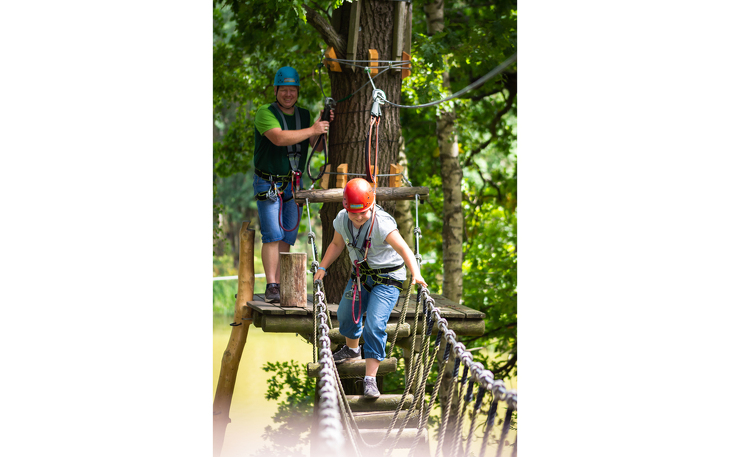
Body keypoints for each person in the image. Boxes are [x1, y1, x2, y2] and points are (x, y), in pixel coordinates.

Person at [313, 178, 427, 398]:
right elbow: (336, 244)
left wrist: (416, 273)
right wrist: (323, 267)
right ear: (346, 208)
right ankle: (352, 349)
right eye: (353, 213)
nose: (358, 217)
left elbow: (404, 249)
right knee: (345, 314)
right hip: (361, 276)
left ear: (372, 205)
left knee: (374, 326)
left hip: (388, 279)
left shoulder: (382, 223)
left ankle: (370, 380)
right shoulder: (342, 219)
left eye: (363, 212)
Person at [253, 66, 334, 303]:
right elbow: (278, 138)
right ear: (276, 91)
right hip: (268, 182)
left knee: (287, 236)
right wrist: (312, 129)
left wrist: (321, 127)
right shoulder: (265, 112)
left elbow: (316, 146)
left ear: (297, 91)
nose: (288, 94)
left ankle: (281, 284)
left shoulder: (303, 116)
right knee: (272, 234)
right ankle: (271, 285)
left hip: (293, 184)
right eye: (284, 90)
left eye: (292, 90)